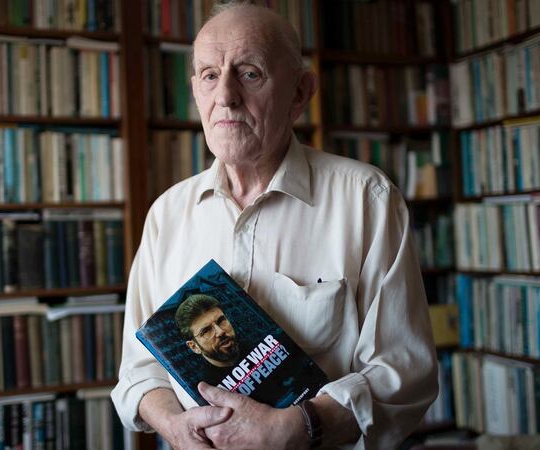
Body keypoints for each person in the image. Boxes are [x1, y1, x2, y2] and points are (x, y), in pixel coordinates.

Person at [110, 2, 438, 449]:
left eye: (249, 73)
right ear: (196, 91)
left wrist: (301, 426)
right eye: (209, 75)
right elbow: (139, 369)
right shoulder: (167, 215)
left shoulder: (366, 199)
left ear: (300, 93)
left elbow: (405, 373)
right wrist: (173, 424)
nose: (225, 96)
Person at [175, 294, 242, 385]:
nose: (220, 332)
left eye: (221, 321)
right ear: (194, 347)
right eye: (206, 331)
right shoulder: (209, 386)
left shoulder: (260, 347)